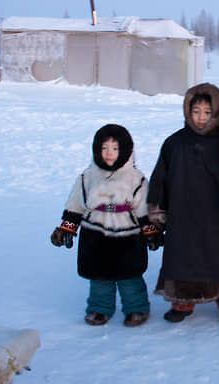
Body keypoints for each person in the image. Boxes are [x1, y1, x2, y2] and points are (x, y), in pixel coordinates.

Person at [148, 83, 219, 324]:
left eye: (207, 112)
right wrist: (157, 207)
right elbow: (159, 178)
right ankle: (182, 302)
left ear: (218, 112)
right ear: (187, 111)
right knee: (184, 258)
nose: (201, 118)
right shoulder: (174, 143)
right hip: (184, 215)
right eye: (196, 111)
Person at [50, 124, 163, 327]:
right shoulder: (87, 177)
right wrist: (66, 227)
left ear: (126, 151)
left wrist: (151, 231)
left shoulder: (136, 179)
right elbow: (76, 204)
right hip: (95, 234)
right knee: (99, 277)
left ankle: (136, 308)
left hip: (127, 236)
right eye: (104, 148)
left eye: (115, 148)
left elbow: (143, 209)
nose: (109, 153)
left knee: (130, 277)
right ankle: (100, 309)